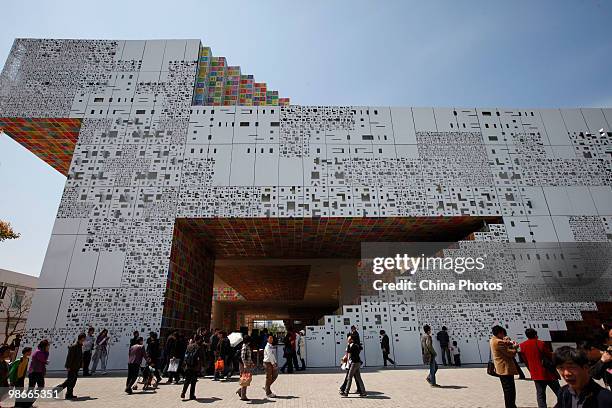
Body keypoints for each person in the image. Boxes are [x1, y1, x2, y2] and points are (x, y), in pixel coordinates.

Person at [519, 328, 561, 408]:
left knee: (540, 394)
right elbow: (549, 355)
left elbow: (525, 360)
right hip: (547, 372)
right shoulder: (540, 343)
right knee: (558, 391)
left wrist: (531, 370)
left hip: (535, 373)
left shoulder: (522, 345)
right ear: (535, 334)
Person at [490, 325, 519, 408]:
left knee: (507, 390)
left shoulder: (492, 340)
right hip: (505, 369)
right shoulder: (498, 342)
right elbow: (510, 353)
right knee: (510, 391)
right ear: (500, 333)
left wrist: (507, 343)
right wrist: (515, 348)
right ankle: (510, 406)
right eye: (503, 334)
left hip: (501, 369)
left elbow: (503, 348)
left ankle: (511, 405)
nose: (504, 336)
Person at [55, 333, 85, 400]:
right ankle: (56, 390)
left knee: (73, 381)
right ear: (81, 338)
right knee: (69, 381)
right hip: (72, 367)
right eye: (83, 339)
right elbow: (69, 357)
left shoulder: (80, 346)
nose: (84, 340)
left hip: (76, 366)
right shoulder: (73, 347)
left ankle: (69, 394)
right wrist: (68, 366)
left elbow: (80, 356)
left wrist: (81, 363)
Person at [181, 335, 204, 400]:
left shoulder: (189, 346)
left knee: (187, 380)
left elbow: (185, 355)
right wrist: (202, 366)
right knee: (193, 381)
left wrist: (185, 363)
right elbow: (201, 357)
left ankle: (183, 392)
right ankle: (191, 395)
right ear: (199, 339)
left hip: (188, 365)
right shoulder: (199, 347)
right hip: (195, 366)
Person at [236, 335, 254, 401]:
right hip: (244, 365)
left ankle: (240, 391)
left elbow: (248, 356)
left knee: (247, 379)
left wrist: (251, 362)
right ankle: (243, 395)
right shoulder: (244, 346)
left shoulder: (247, 346)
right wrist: (245, 365)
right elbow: (242, 357)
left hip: (247, 364)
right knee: (245, 380)